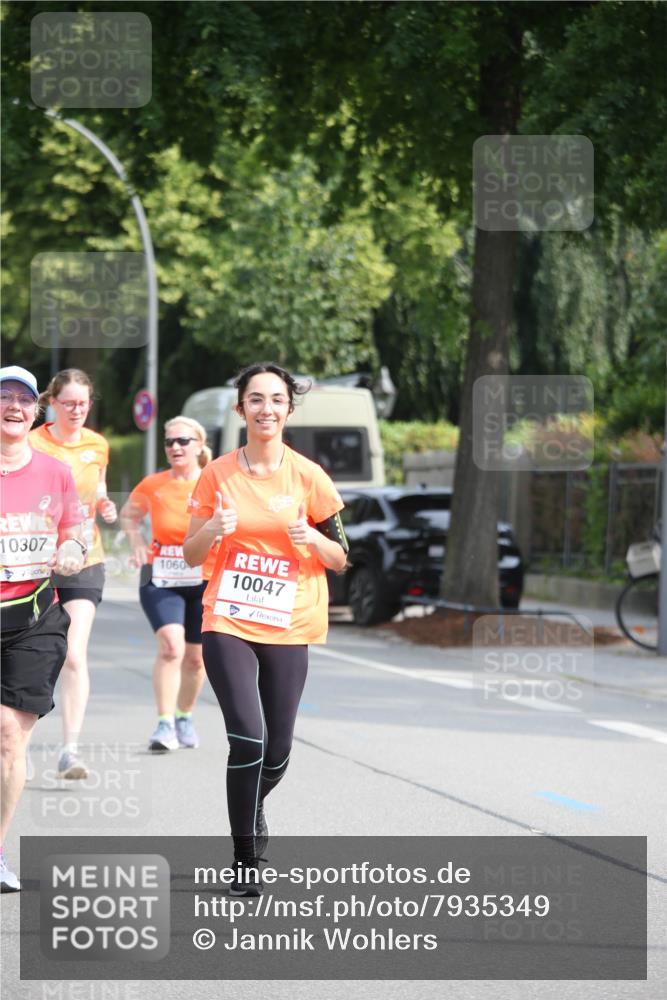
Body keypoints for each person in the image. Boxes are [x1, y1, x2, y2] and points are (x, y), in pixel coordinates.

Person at [183, 362, 349, 896]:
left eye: (276, 399)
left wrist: (310, 539)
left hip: (289, 620)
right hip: (227, 617)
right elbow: (190, 554)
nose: (266, 409)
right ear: (241, 409)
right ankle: (244, 859)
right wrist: (213, 527)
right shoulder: (216, 475)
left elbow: (342, 557)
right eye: (256, 399)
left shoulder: (309, 477)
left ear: (288, 410)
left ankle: (253, 804)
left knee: (277, 752)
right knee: (247, 737)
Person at [1, 366, 86, 892]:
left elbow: (75, 530)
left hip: (34, 618)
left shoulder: (55, 472)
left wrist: (72, 551)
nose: (14, 407)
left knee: (10, 735)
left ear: (38, 411)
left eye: (24, 401)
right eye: (4, 397)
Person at [29, 369, 117, 780]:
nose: (77, 410)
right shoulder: (32, 441)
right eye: (69, 403)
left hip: (84, 557)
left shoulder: (97, 444)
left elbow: (97, 488)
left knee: (75, 653)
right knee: (32, 657)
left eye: (83, 403)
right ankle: (17, 743)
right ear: (53, 403)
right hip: (35, 562)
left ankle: (69, 750)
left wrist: (105, 505)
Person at [120, 417, 216, 752]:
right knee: (171, 646)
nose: (175, 447)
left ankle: (184, 715)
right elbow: (128, 515)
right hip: (161, 575)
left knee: (195, 659)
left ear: (199, 445)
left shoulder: (214, 483)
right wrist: (136, 542)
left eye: (183, 441)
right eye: (170, 442)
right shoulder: (153, 484)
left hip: (204, 578)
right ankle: (164, 725)